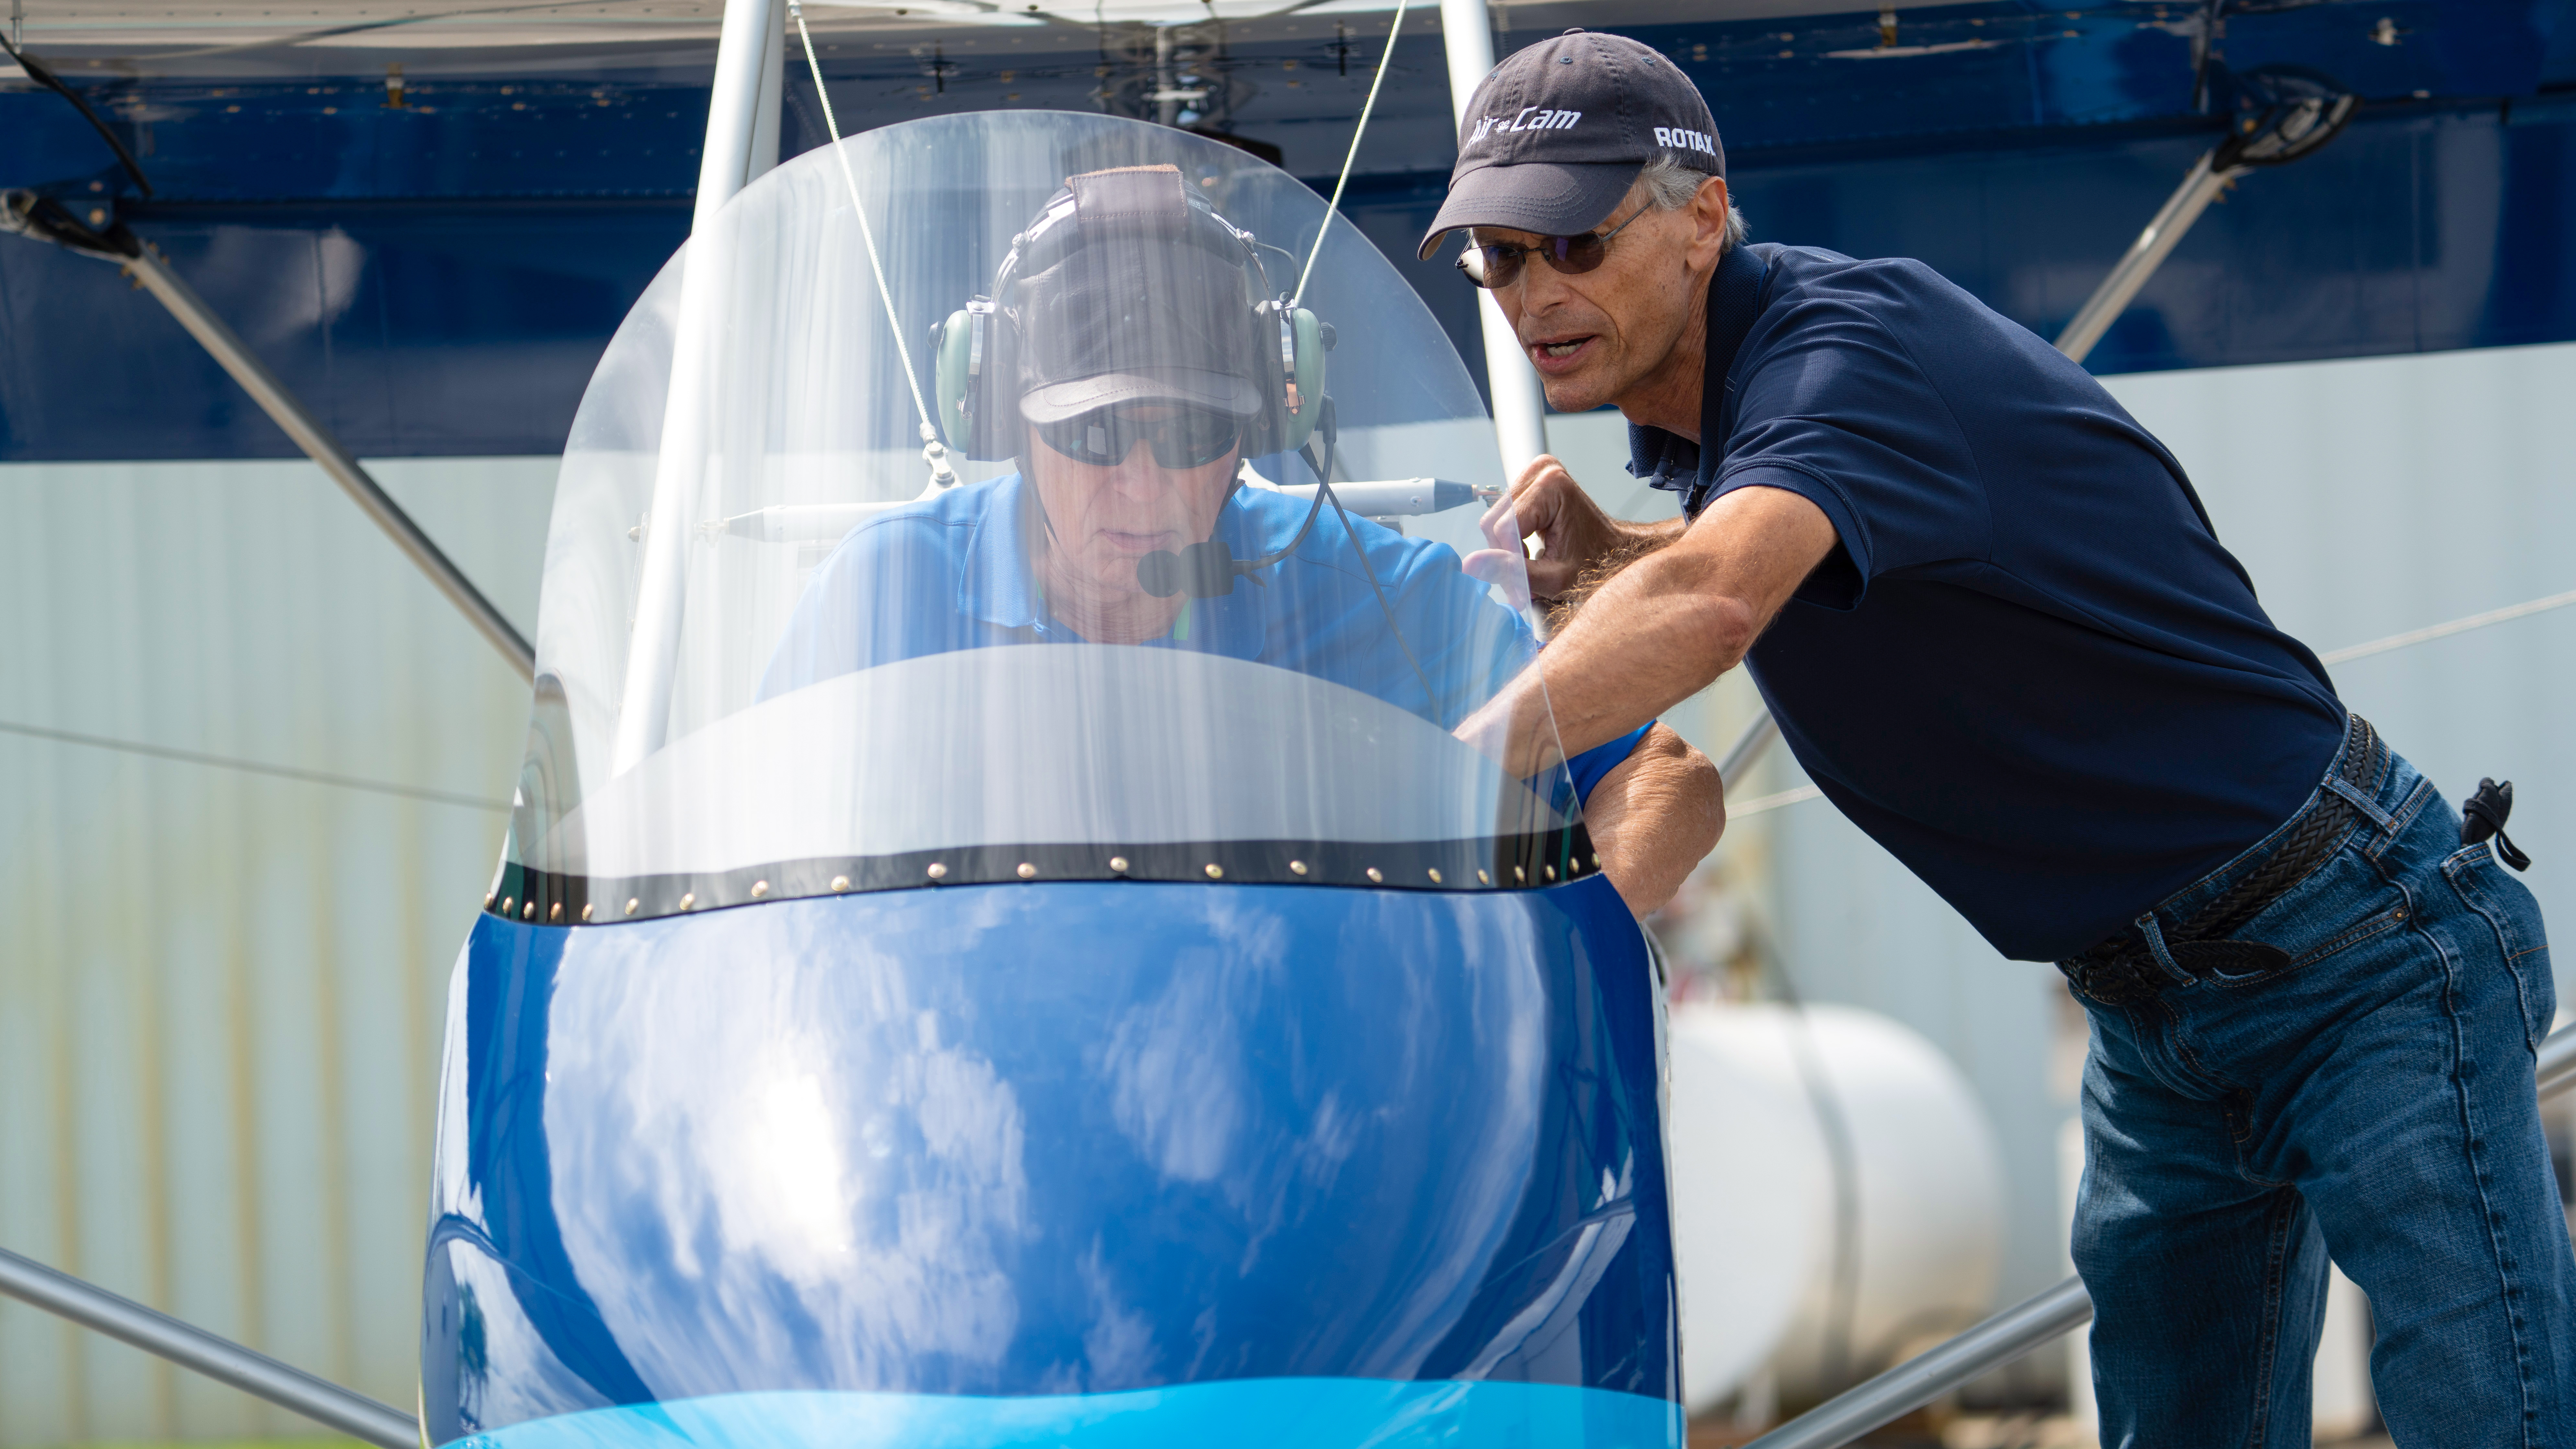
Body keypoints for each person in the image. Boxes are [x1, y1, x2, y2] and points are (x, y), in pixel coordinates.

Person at [1429, 28, 2574, 1445]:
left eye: (1574, 243)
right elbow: (1792, 554)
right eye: (1497, 256)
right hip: (2148, 1011)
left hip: (2353, 952)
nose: (1534, 293)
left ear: (1704, 217)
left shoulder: (1843, 352)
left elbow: (1720, 597)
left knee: (2496, 1420)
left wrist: (1435, 776)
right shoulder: (1753, 419)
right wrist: (1611, 556)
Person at [762, 163, 1721, 914]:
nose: (1143, 486)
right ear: (1000, 418)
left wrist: (1561, 948)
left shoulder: (1384, 597)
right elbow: (758, 850)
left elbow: (1665, 780)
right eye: (1093, 436)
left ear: (1264, 423)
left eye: (1190, 436)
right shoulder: (880, 595)